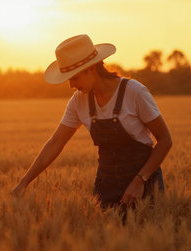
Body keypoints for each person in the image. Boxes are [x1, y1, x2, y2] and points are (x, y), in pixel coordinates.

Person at [11, 34, 172, 211]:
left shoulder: (134, 92)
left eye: (74, 77)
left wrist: (140, 180)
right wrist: (23, 183)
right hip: (106, 186)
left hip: (144, 184)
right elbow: (55, 143)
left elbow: (165, 140)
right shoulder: (78, 101)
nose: (71, 85)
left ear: (91, 69)